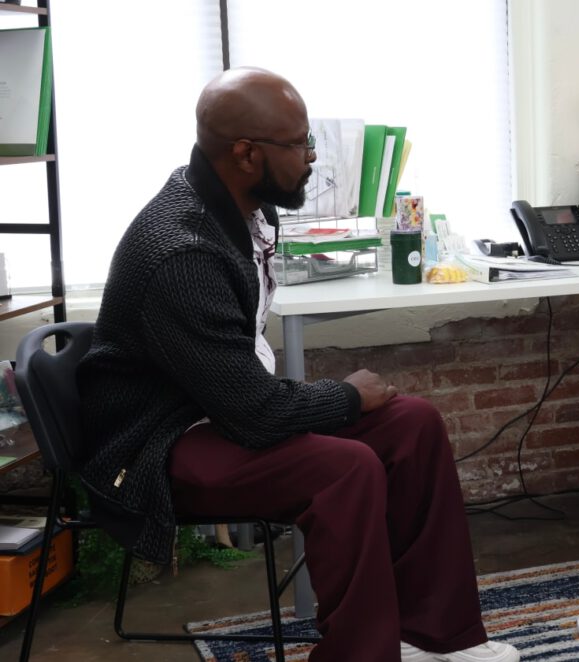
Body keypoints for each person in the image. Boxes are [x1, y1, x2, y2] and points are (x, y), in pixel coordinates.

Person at [75, 67, 519, 662]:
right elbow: (256, 415)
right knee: (345, 468)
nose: (313, 157)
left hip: (213, 408)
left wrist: (343, 400)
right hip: (157, 443)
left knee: (413, 424)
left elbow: (246, 396)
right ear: (246, 153)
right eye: (301, 143)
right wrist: (345, 396)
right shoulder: (180, 253)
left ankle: (431, 636)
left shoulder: (246, 210)